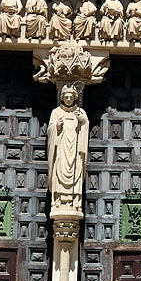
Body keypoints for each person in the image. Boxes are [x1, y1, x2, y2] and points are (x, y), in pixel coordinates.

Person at [47, 83, 89, 213]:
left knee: (76, 171)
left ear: (75, 98)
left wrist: (83, 121)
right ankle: (57, 200)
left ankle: (75, 200)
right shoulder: (56, 112)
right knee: (58, 169)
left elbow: (85, 126)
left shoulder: (80, 112)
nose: (69, 99)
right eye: (66, 97)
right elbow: (50, 130)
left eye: (71, 97)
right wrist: (56, 127)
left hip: (75, 151)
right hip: (61, 149)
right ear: (62, 97)